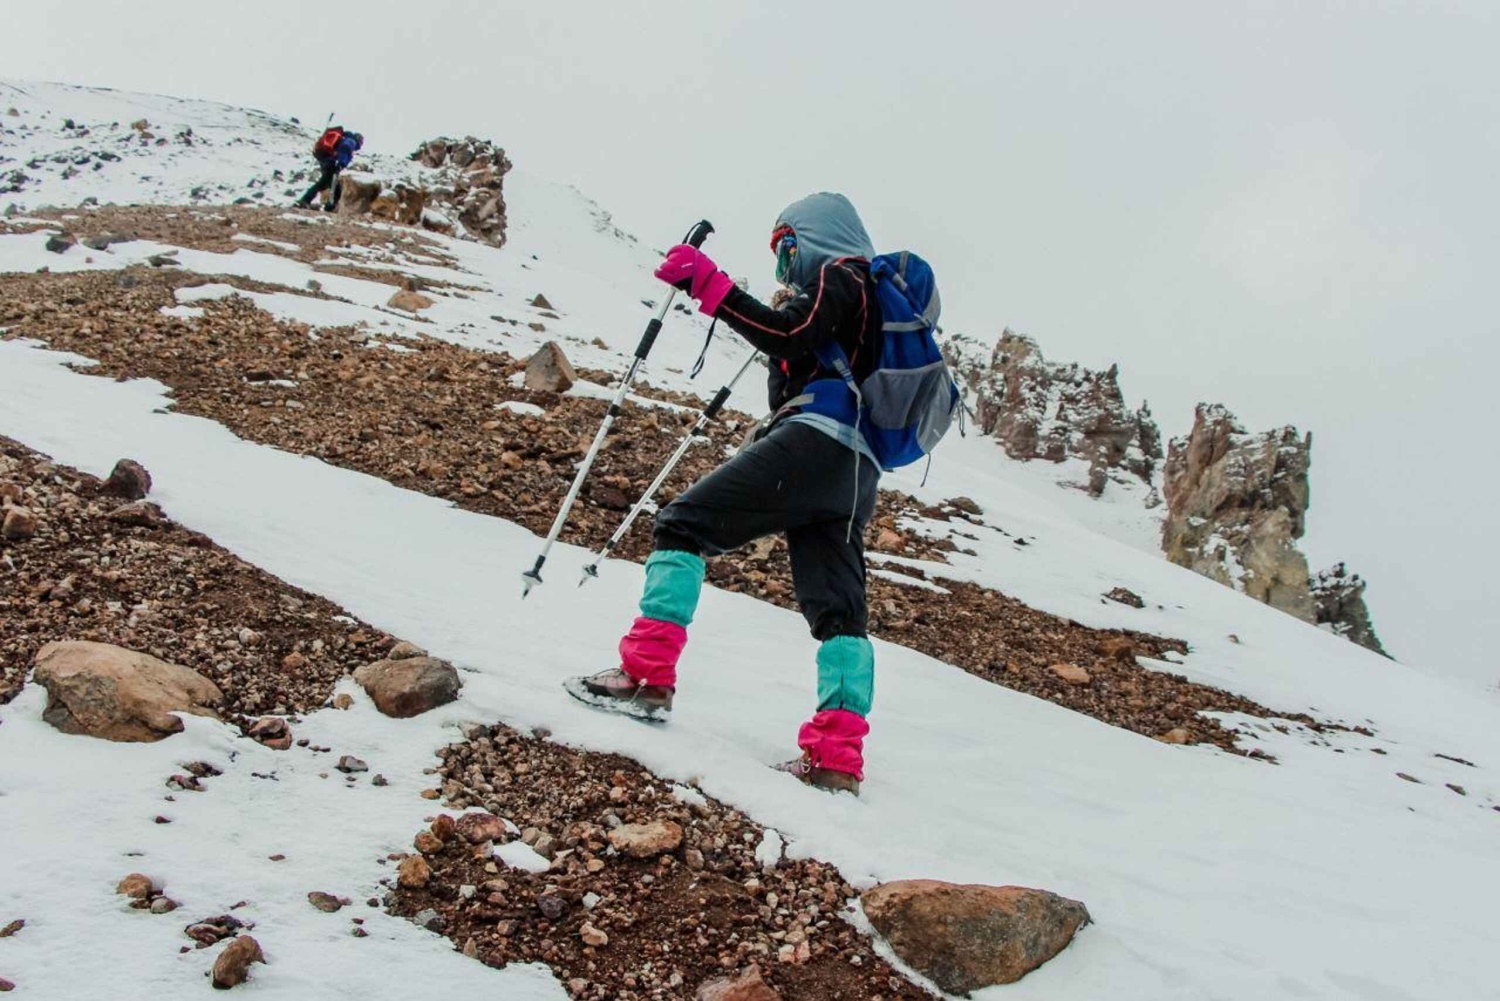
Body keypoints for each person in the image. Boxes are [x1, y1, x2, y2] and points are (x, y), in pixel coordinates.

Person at [574, 192, 883, 795]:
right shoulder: (868, 299)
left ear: (817, 236)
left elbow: (789, 334)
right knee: (839, 610)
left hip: (817, 442)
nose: (783, 264)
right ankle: (835, 758)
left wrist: (709, 285)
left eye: (787, 247)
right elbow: (796, 352)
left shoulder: (842, 274)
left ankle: (645, 677)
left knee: (682, 525)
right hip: (856, 470)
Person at [295, 126, 363, 211]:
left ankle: (329, 206)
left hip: (326, 161)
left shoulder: (345, 138)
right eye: (361, 142)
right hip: (333, 163)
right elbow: (345, 147)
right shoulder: (351, 141)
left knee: (332, 186)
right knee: (325, 184)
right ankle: (305, 200)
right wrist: (341, 163)